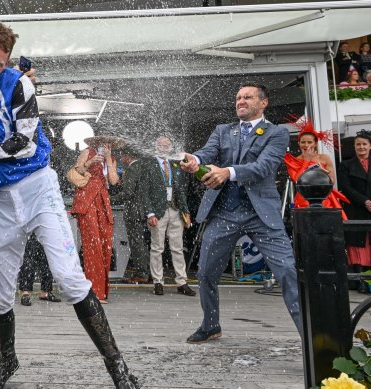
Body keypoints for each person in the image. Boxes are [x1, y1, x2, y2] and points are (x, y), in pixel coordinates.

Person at [0, 22, 139, 389]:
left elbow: (27, 144)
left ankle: (118, 368)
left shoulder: (20, 83)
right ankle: (8, 359)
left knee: (68, 277)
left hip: (39, 188)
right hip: (1, 199)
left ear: (7, 64)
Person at [180, 81, 300, 343]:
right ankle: (211, 325)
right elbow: (207, 153)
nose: (240, 101)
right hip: (224, 214)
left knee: (288, 272)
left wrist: (228, 172)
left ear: (263, 103)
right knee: (206, 273)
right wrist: (195, 160)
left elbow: (264, 167)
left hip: (261, 215)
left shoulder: (276, 133)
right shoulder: (223, 130)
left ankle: (310, 336)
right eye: (238, 98)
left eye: (247, 97)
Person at [140, 136, 194, 297]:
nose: (164, 147)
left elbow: (180, 189)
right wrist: (150, 213)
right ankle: (158, 282)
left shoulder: (175, 163)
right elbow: (144, 191)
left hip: (176, 210)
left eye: (167, 145)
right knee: (157, 248)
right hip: (158, 212)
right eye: (160, 145)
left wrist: (186, 211)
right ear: (155, 147)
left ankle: (182, 282)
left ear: (171, 148)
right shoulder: (148, 164)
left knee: (177, 248)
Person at [70, 135, 121, 303]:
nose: (106, 147)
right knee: (92, 245)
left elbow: (113, 181)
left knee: (105, 244)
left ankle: (101, 291)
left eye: (109, 145)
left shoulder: (111, 159)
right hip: (87, 201)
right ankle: (94, 291)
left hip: (103, 203)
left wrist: (107, 159)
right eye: (103, 144)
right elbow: (77, 172)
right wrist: (91, 162)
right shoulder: (87, 152)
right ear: (97, 144)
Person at [283, 117, 348, 219]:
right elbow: (297, 180)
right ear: (298, 143)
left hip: (324, 198)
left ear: (315, 143)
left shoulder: (324, 158)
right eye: (303, 142)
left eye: (309, 142)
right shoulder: (293, 161)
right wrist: (307, 161)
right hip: (303, 199)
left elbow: (332, 181)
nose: (306, 145)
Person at [338, 130, 371, 292]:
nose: (361, 147)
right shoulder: (346, 165)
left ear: (370, 146)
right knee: (358, 248)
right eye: (358, 144)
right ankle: (361, 282)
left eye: (364, 144)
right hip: (356, 210)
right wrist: (365, 201)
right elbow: (346, 188)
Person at [117, 145, 150, 283]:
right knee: (143, 242)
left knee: (137, 243)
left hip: (134, 211)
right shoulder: (144, 166)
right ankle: (149, 271)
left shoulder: (131, 168)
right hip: (144, 210)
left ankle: (141, 273)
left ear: (128, 156)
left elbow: (128, 193)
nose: (120, 158)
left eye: (121, 155)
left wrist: (107, 198)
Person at [18, 233, 62, 306]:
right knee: (29, 259)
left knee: (47, 260)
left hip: (46, 230)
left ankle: (45, 292)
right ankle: (25, 292)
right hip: (30, 228)